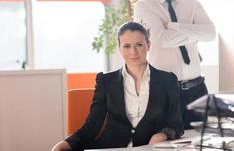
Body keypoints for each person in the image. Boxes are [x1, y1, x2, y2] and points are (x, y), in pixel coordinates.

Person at [51, 21, 183, 151]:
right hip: (110, 147)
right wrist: (65, 144)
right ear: (119, 47)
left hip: (148, 148)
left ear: (148, 45)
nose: (133, 51)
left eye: (139, 45)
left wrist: (162, 135)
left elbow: (176, 125)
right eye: (126, 46)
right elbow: (91, 127)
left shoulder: (167, 80)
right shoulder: (105, 81)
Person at [134, 0, 216, 129]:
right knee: (166, 143)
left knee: (201, 143)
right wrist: (194, 33)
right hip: (165, 91)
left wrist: (174, 26)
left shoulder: (193, 4)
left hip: (198, 90)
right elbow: (160, 40)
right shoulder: (143, 6)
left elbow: (210, 34)